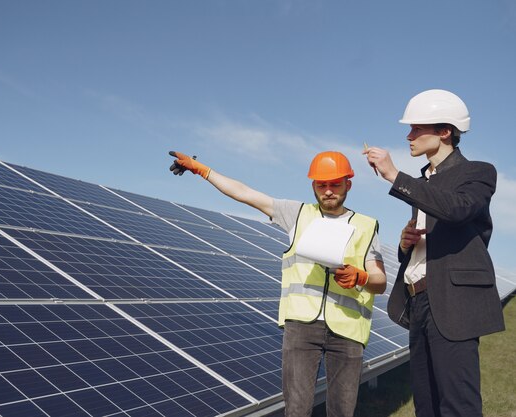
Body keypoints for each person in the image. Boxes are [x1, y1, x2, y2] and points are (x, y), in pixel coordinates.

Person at [169, 150, 387, 416]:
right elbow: (245, 193)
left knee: (342, 411)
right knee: (296, 409)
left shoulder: (366, 226)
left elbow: (380, 280)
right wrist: (204, 171)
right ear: (313, 186)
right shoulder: (296, 214)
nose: (328, 191)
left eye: (335, 184)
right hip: (301, 328)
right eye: (322, 185)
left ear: (348, 185)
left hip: (348, 331)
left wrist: (361, 277)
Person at [363, 89, 505, 417]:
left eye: (416, 129)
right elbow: (426, 250)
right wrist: (404, 245)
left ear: (444, 132)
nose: (408, 136)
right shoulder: (425, 182)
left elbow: (458, 209)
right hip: (419, 302)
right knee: (426, 405)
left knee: (458, 406)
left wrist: (394, 176)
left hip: (453, 303)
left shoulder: (479, 173)